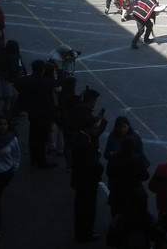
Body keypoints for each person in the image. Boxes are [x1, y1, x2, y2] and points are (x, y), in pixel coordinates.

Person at [70, 101, 107, 242]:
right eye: (94, 127)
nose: (95, 130)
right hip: (86, 181)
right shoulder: (84, 142)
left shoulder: (80, 138)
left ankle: (84, 231)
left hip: (82, 180)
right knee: (87, 208)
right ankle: (85, 233)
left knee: (83, 208)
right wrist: (99, 169)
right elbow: (90, 162)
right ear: (87, 128)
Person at [15, 60, 57, 168]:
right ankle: (41, 160)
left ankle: (34, 158)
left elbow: (17, 86)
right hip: (44, 113)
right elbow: (59, 82)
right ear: (42, 69)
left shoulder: (26, 79)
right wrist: (58, 68)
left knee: (33, 135)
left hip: (32, 111)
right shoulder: (46, 81)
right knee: (42, 137)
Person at [0, 115, 20, 243]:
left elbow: (16, 155)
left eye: (4, 124)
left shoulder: (12, 140)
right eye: (0, 124)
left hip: (6, 173)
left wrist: (14, 168)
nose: (2, 127)